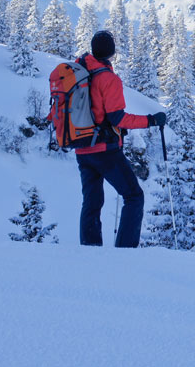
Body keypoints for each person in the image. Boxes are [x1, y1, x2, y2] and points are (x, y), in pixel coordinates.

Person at [74, 30, 166, 247]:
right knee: (134, 196)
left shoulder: (81, 71)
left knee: (92, 202)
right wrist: (151, 120)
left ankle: (90, 249)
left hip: (82, 148)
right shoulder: (108, 78)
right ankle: (126, 251)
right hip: (104, 150)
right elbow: (118, 118)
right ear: (112, 53)